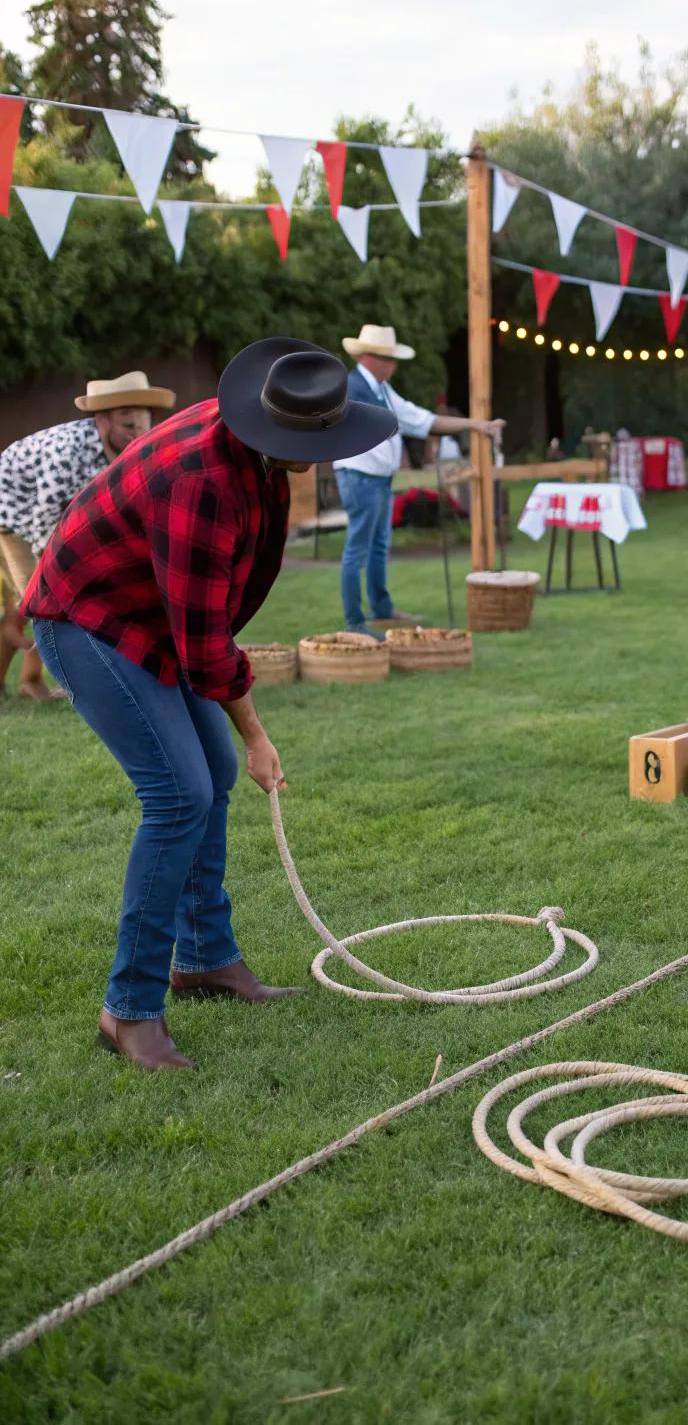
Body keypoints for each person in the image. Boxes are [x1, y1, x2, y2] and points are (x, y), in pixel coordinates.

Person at [20, 338, 399, 1071]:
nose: (322, 457)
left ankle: (202, 960)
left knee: (211, 773)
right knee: (178, 794)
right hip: (85, 618)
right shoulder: (204, 481)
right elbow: (203, 644)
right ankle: (127, 1009)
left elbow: (209, 620)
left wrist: (241, 737)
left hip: (151, 617)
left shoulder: (255, 455)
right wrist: (259, 735)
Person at [0, 372, 174, 701]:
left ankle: (23, 681)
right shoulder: (67, 451)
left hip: (47, 520)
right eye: (128, 427)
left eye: (142, 426)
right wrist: (54, 573)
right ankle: (40, 679)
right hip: (12, 516)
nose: (137, 435)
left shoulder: (129, 450)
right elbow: (44, 520)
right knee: (41, 600)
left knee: (21, 605)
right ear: (104, 420)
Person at [334, 324, 505, 635]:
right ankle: (355, 622)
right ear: (372, 358)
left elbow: (421, 420)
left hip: (377, 477)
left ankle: (381, 609)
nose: (394, 365)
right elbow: (402, 423)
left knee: (376, 547)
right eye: (390, 358)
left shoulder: (381, 390)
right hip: (359, 476)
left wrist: (475, 424)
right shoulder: (352, 388)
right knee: (358, 549)